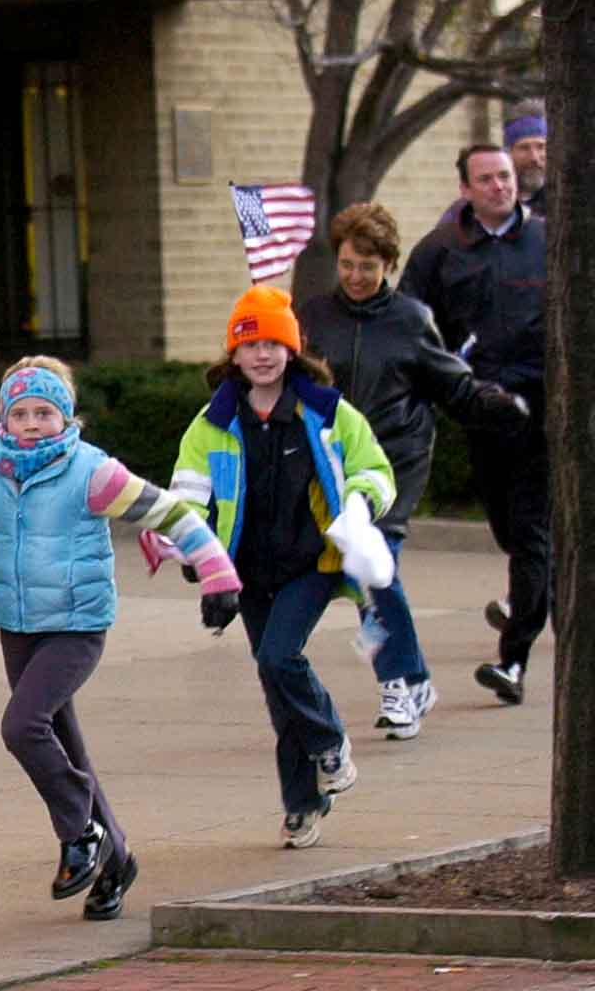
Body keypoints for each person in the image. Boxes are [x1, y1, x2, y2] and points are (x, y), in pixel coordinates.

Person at [0, 357, 242, 920]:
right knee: (65, 748)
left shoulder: (92, 472)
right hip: (17, 625)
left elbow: (172, 513)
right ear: (4, 419)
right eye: (21, 413)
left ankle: (81, 834)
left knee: (22, 726)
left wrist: (218, 576)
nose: (33, 423)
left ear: (67, 416)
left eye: (46, 412)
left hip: (77, 625)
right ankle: (115, 859)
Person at [295, 202, 530, 740]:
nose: (356, 276)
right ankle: (415, 678)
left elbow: (454, 385)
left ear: (389, 267)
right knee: (361, 572)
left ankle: (398, 684)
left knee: (372, 566)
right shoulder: (312, 317)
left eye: (368, 267)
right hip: (331, 467)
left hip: (393, 465)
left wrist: (498, 406)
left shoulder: (410, 321)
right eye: (349, 264)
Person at [172, 287, 396, 849]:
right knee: (276, 685)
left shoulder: (328, 412)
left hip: (312, 562)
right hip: (246, 571)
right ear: (234, 355)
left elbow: (375, 471)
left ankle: (330, 742)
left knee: (279, 657)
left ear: (293, 350)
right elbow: (187, 496)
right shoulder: (212, 423)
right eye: (251, 344)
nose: (264, 354)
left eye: (275, 342)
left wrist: (359, 507)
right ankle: (303, 803)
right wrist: (195, 552)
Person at [400, 145, 549, 705]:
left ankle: (513, 658)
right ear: (464, 188)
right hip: (480, 410)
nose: (499, 187)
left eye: (505, 177)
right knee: (513, 533)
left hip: (541, 410)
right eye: (485, 179)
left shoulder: (546, 240)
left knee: (533, 536)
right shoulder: (439, 251)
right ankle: (542, 590)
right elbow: (410, 324)